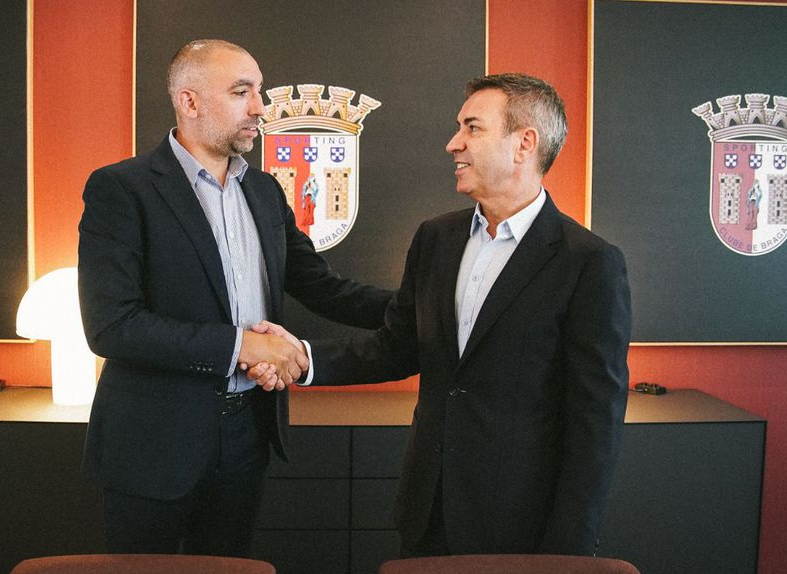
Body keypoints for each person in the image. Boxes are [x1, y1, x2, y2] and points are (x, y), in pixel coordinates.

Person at [252, 73, 631, 557]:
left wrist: (570, 546)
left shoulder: (589, 262)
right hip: (426, 512)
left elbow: (595, 421)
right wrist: (303, 359)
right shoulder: (436, 237)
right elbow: (398, 346)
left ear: (524, 144)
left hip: (522, 525)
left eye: (472, 128)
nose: (454, 144)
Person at [76, 39, 392, 557]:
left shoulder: (264, 191)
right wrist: (242, 346)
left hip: (248, 434)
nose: (259, 108)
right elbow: (113, 326)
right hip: (153, 444)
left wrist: (426, 304)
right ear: (190, 101)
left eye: (259, 91)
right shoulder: (121, 189)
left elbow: (322, 287)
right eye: (242, 92)